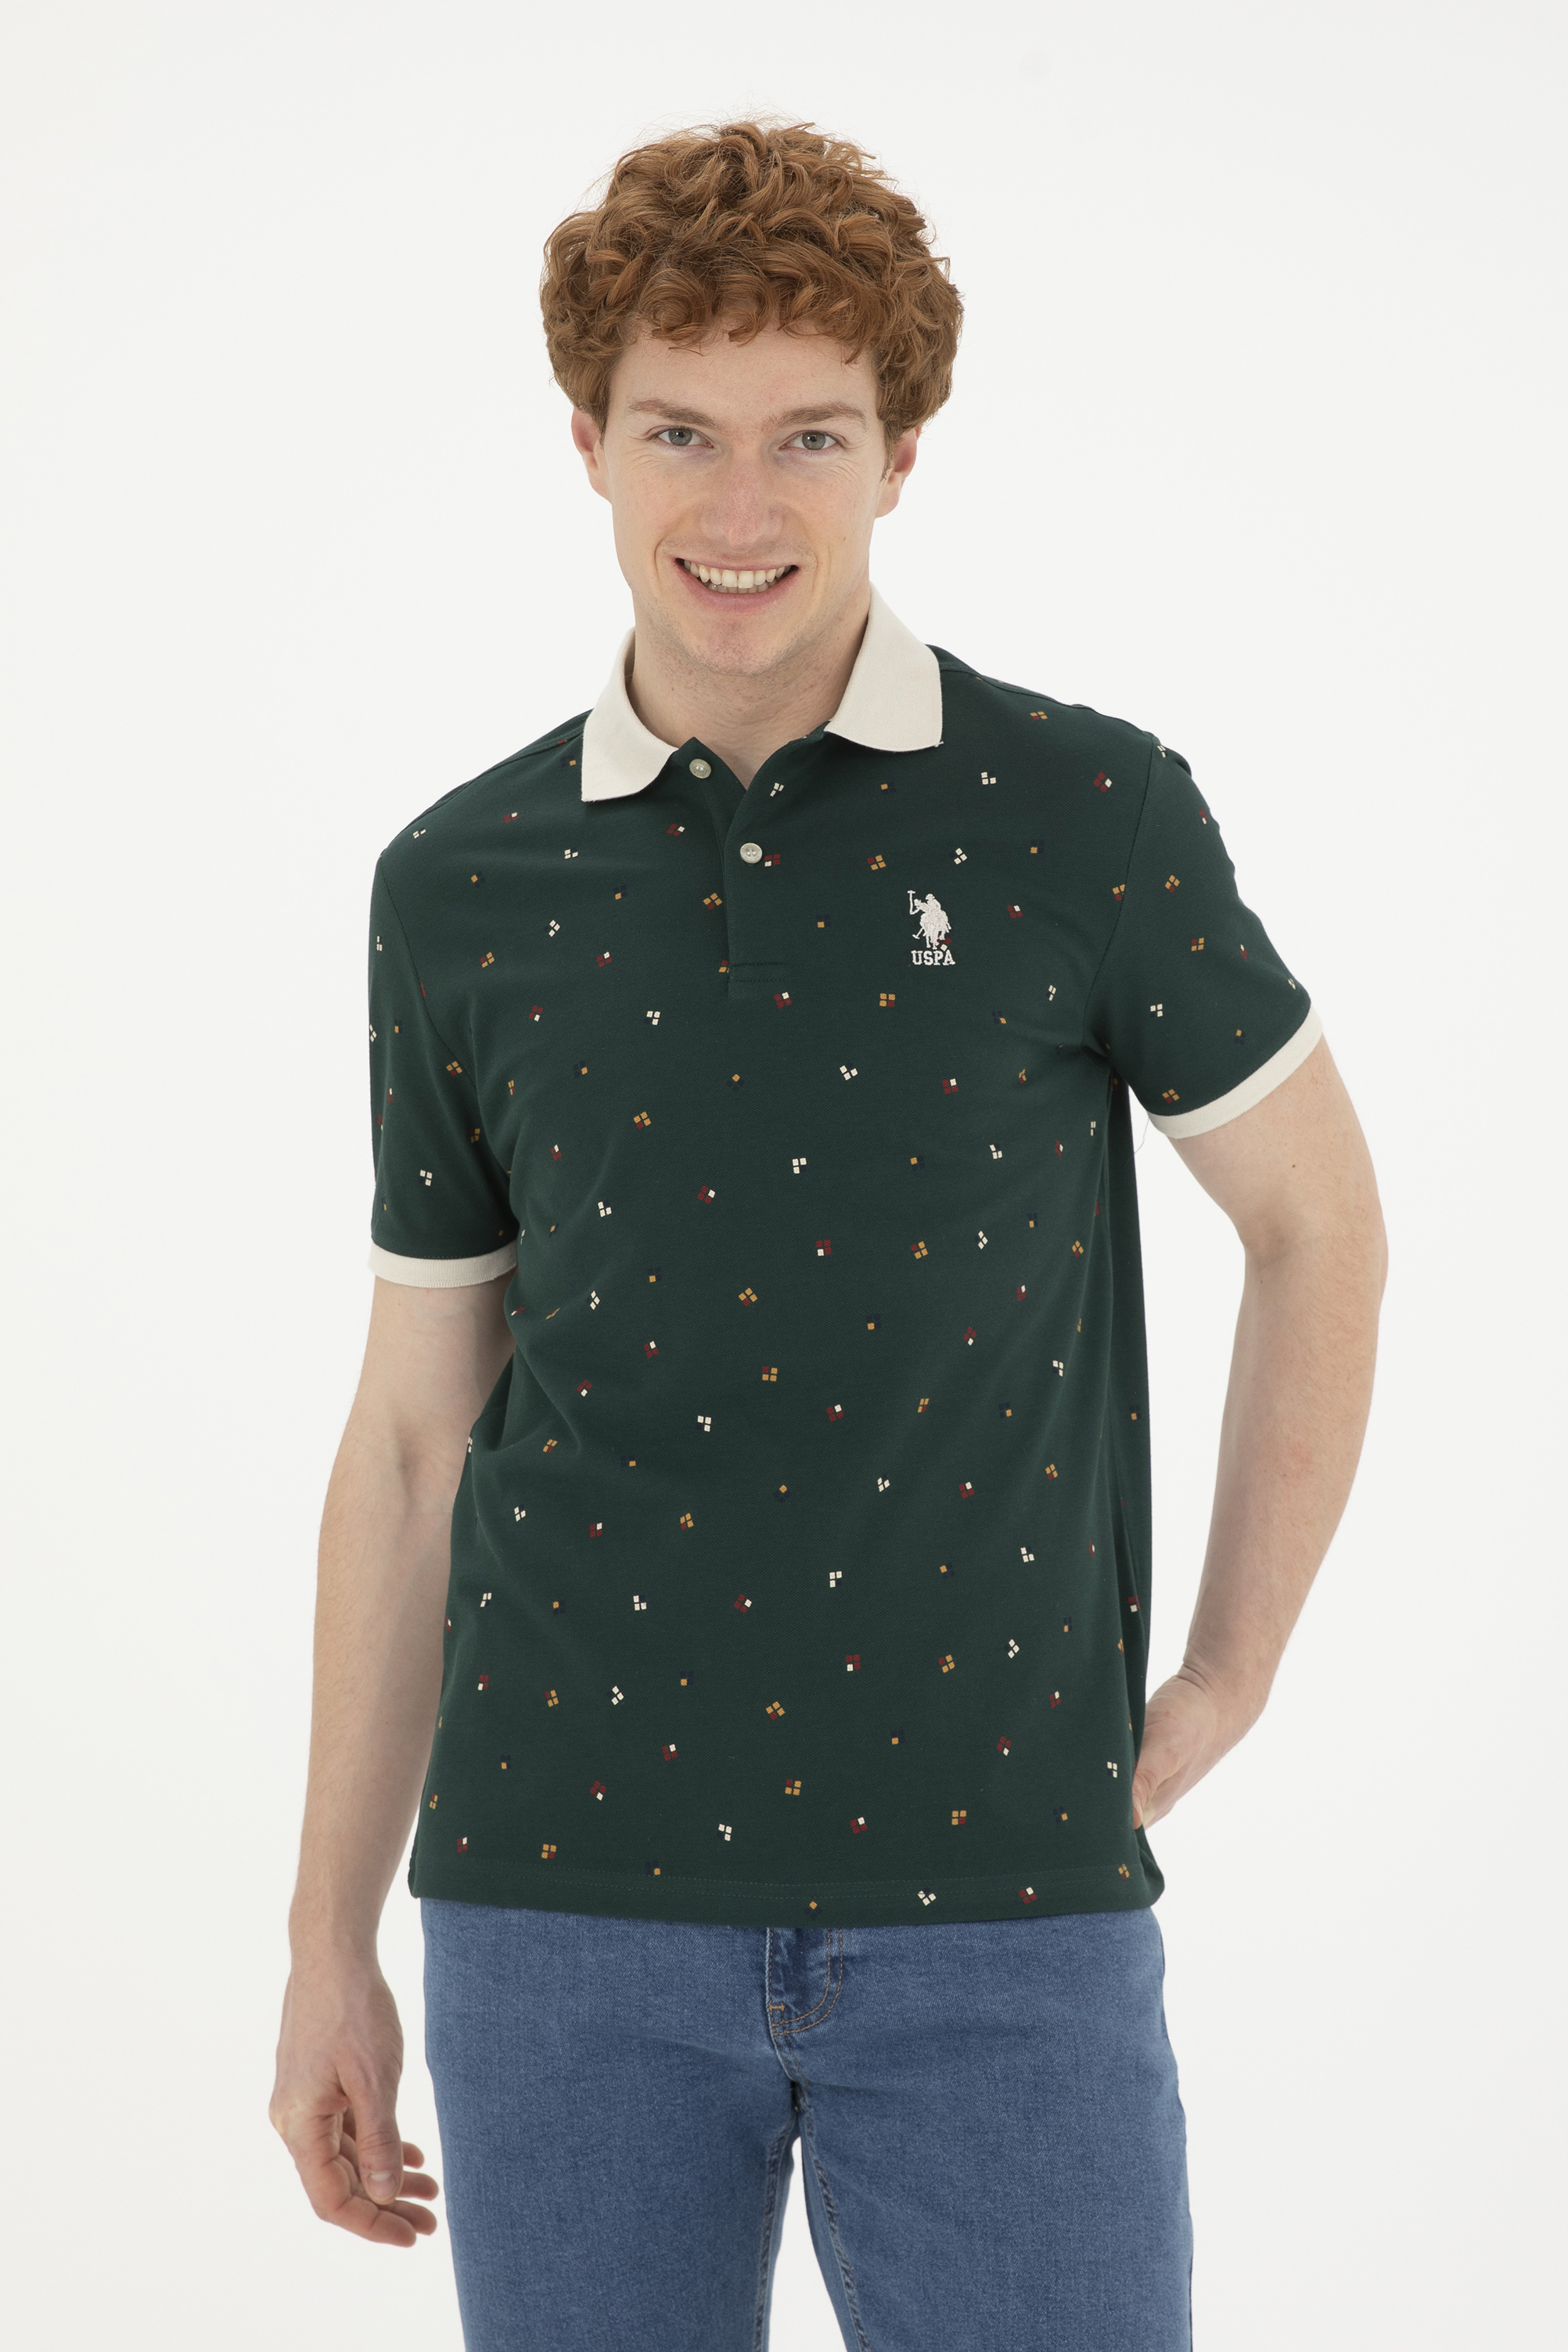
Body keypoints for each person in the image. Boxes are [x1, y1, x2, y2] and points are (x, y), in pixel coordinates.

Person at [270, 120, 1386, 2351]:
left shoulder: (1086, 812)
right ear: (586, 442)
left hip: (1006, 1905)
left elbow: (1319, 1228)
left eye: (810, 435)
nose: (741, 505)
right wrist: (326, 1942)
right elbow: (409, 1439)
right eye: (679, 431)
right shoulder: (459, 884)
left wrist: (1231, 1673)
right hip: (557, 1914)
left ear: (901, 455)